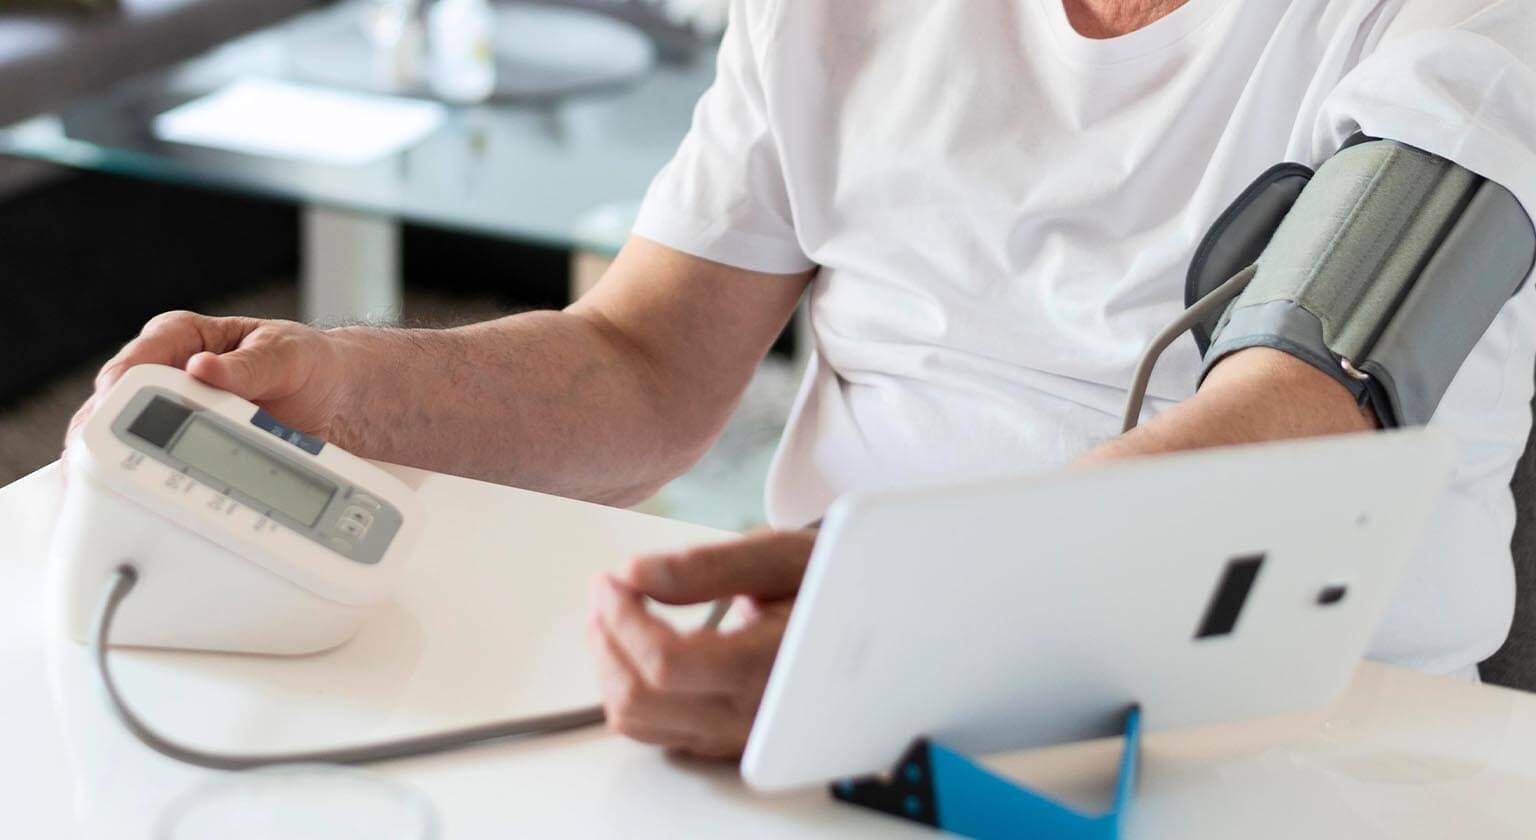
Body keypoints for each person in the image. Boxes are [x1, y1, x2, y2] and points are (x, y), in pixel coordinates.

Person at [70, 0, 1536, 760]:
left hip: (1309, 746)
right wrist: (346, 389)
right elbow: (645, 362)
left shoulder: (1468, 23)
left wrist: (914, 631)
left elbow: (1298, 417)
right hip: (841, 719)